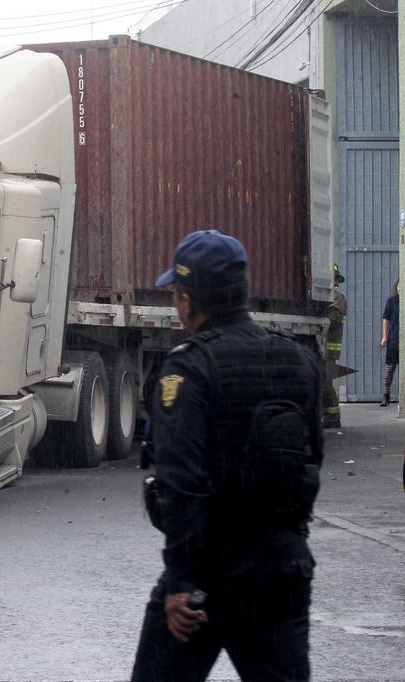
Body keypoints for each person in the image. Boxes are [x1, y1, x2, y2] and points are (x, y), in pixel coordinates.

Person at [132, 229, 323, 682]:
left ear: (187, 302)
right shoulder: (298, 360)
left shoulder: (188, 368)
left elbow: (181, 482)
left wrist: (180, 582)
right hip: (282, 569)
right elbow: (311, 457)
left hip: (206, 580)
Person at [322, 265, 348, 428]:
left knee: (326, 382)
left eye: (337, 279)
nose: (336, 282)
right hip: (322, 347)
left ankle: (333, 417)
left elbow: (334, 318)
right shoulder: (326, 297)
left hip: (329, 350)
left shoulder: (338, 298)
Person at [379, 279, 399, 407]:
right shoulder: (391, 302)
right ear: (397, 287)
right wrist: (384, 337)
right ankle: (386, 396)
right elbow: (385, 319)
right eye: (400, 286)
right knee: (389, 369)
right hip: (394, 339)